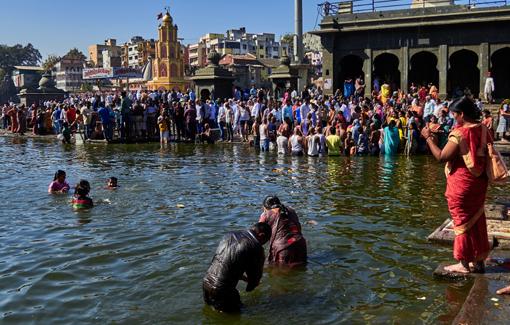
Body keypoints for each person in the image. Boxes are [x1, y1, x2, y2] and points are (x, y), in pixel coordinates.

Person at [422, 96, 490, 274]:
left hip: (462, 184)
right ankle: (479, 261)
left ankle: (464, 263)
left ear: (461, 114)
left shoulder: (460, 133)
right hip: (479, 182)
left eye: (454, 114)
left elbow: (442, 157)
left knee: (461, 221)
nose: (453, 117)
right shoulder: (483, 129)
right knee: (476, 219)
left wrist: (428, 138)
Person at [202, 222, 271, 313]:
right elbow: (254, 279)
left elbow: (225, 265)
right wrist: (251, 286)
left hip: (206, 283)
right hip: (223, 291)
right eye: (265, 241)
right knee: (236, 316)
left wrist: (245, 279)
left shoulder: (229, 235)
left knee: (212, 313)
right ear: (261, 235)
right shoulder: (256, 247)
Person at [259, 196, 307, 266]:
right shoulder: (291, 210)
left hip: (283, 249)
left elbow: (258, 234)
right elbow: (298, 228)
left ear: (265, 208)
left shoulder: (266, 214)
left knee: (280, 273)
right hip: (300, 243)